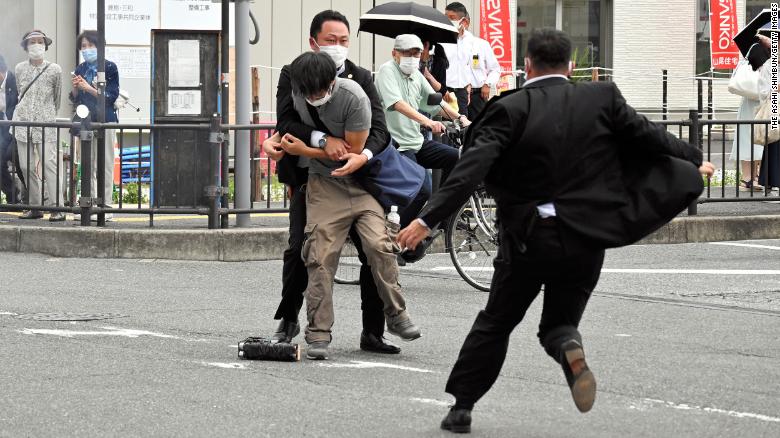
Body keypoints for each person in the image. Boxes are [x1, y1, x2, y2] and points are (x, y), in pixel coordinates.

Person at [397, 29, 715, 434]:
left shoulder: (510, 108)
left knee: (497, 321)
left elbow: (469, 169)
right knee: (559, 324)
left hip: (527, 238)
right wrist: (694, 160)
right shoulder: (602, 99)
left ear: (527, 66)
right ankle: (567, 345)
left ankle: (462, 407)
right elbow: (650, 137)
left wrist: (427, 220)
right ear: (572, 67)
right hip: (587, 235)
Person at [263, 10, 402, 355]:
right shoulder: (292, 73)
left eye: (343, 41)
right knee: (300, 250)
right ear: (313, 42)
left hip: (359, 182)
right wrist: (323, 141)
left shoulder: (362, 79)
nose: (337, 47)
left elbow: (381, 131)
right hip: (311, 180)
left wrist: (362, 155)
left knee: (375, 251)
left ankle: (373, 331)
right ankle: (290, 319)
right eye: (330, 41)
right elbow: (286, 120)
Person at [375, 34, 467, 235]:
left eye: (416, 53)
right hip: (396, 144)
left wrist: (461, 119)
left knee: (457, 158)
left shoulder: (417, 75)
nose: (412, 58)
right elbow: (397, 104)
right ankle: (399, 234)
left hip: (416, 141)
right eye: (407, 53)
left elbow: (437, 103)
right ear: (395, 54)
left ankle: (439, 212)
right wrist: (426, 121)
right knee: (422, 187)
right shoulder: (386, 71)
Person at [12, 30, 64, 221]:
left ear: (45, 45)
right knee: (26, 167)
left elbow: (57, 98)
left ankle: (57, 207)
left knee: (49, 165)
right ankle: (35, 207)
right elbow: (20, 92)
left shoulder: (55, 69)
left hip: (46, 123)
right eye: (32, 42)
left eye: (39, 42)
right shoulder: (19, 69)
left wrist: (48, 114)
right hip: (23, 122)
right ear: (26, 47)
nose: (36, 45)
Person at [70, 30, 120, 221]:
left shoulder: (110, 67)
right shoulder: (80, 68)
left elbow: (110, 96)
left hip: (106, 120)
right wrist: (75, 87)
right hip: (85, 121)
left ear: (100, 47)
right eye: (83, 46)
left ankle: (105, 206)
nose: (87, 49)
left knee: (105, 164)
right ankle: (87, 204)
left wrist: (88, 88)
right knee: (87, 164)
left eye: (91, 45)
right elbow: (75, 98)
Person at [443, 2, 500, 120]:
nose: (448, 21)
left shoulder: (480, 44)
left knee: (477, 131)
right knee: (455, 132)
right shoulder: (443, 43)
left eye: (452, 18)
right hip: (453, 95)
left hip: (477, 96)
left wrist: (487, 84)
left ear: (464, 22)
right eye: (446, 18)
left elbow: (495, 69)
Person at [755, 34, 780, 193]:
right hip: (776, 107)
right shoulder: (769, 66)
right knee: (775, 144)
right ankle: (773, 185)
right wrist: (776, 88)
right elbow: (763, 93)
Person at [0, 54, 19, 203]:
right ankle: (12, 195)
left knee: (20, 162)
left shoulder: (14, 81)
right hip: (2, 131)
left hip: (17, 129)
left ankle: (31, 197)